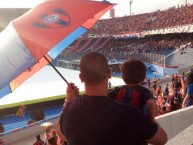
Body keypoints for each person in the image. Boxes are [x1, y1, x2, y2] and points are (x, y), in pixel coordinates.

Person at [56, 52, 167, 145]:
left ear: (81, 77)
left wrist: (69, 100)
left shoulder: (70, 109)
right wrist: (152, 118)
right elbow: (162, 139)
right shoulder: (130, 114)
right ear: (109, 73)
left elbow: (61, 134)